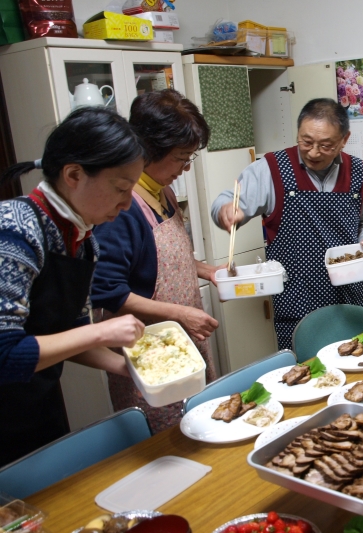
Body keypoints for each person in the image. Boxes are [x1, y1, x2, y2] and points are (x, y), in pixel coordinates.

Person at [0, 107, 146, 466]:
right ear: (74, 174)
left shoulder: (82, 241)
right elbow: (4, 356)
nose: (127, 204)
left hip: (38, 403)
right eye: (121, 188)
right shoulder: (14, 229)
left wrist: (131, 369)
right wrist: (103, 333)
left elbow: (70, 336)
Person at [91, 89, 220, 433]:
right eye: (181, 157)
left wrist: (208, 271)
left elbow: (165, 259)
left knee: (200, 424)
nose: (185, 167)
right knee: (166, 442)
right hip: (150, 354)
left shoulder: (162, 190)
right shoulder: (123, 207)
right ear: (148, 149)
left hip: (184, 340)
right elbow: (107, 292)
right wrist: (179, 314)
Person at [212, 98, 363, 349]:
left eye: (325, 145)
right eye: (306, 141)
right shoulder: (272, 168)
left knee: (355, 366)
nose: (313, 152)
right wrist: (225, 211)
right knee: (303, 376)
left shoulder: (358, 170)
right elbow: (226, 201)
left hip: (348, 296)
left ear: (344, 140)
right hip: (296, 299)